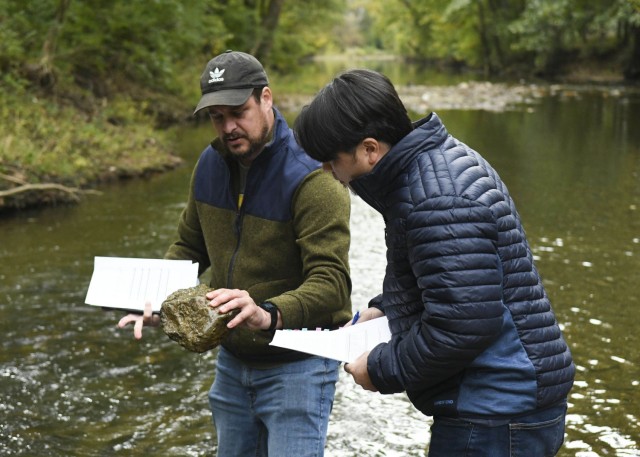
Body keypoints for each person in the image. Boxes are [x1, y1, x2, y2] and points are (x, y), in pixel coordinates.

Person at [293, 69, 575, 457]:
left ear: (370, 149)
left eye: (331, 160)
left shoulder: (436, 200)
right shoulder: (432, 166)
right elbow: (457, 278)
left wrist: (379, 368)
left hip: (497, 408)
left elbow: (462, 324)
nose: (328, 172)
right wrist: (385, 307)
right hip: (508, 402)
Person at [117, 50, 353, 457]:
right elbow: (189, 248)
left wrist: (267, 313)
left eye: (238, 112)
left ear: (266, 98)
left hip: (300, 365)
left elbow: (332, 285)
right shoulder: (209, 164)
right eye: (216, 116)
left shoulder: (314, 177)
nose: (228, 127)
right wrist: (156, 296)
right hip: (232, 364)